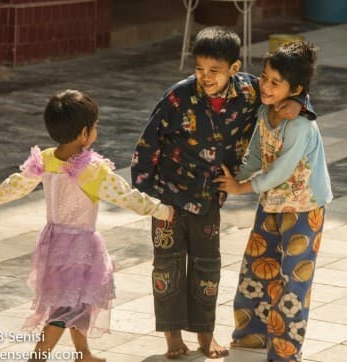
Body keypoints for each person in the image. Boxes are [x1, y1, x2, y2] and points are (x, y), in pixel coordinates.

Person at [131, 27, 315, 359]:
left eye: (214, 70)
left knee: (207, 268)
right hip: (168, 199)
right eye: (199, 69)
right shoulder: (178, 96)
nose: (206, 77)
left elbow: (284, 86)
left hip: (209, 198)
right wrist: (149, 198)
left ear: (234, 68)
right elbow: (147, 145)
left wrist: (300, 102)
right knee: (167, 265)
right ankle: (172, 336)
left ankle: (205, 337)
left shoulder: (249, 91)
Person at [0, 90, 173, 362]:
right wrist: (160, 209)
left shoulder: (46, 159)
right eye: (95, 126)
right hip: (80, 247)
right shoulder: (92, 169)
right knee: (65, 307)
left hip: (53, 243)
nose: (96, 130)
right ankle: (37, 358)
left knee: (78, 300)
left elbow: (18, 184)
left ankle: (83, 353)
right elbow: (125, 196)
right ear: (85, 133)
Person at [214, 41, 333, 362]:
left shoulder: (301, 124)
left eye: (274, 82)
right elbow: (255, 154)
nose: (264, 86)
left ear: (295, 90)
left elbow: (281, 170)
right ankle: (250, 335)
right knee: (256, 267)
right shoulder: (267, 112)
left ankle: (285, 351)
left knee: (293, 279)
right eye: (265, 77)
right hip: (272, 203)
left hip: (304, 208)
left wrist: (242, 188)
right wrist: (236, 176)